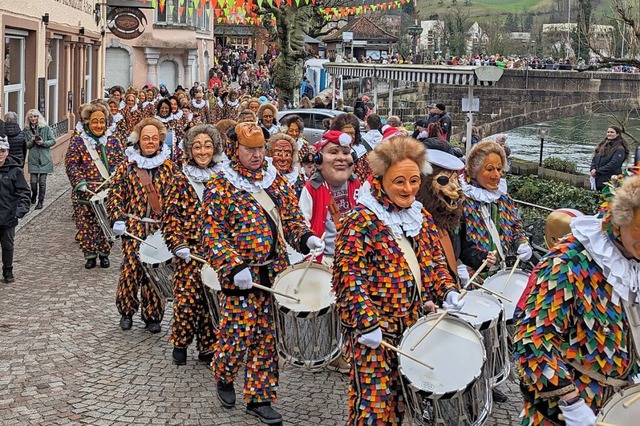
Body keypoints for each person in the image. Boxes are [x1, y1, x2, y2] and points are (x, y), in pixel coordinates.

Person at [332, 135, 464, 424]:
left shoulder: (421, 217)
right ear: (381, 179)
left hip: (413, 331)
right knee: (374, 407)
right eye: (400, 181)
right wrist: (365, 321)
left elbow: (434, 265)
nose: (408, 189)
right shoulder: (360, 221)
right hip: (374, 334)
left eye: (414, 181)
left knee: (403, 404)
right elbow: (348, 277)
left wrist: (447, 291)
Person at [201, 122, 322, 424]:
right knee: (237, 335)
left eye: (259, 148)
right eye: (249, 149)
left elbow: (292, 220)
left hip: (274, 273)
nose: (256, 155)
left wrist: (305, 237)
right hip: (240, 276)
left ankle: (259, 397)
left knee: (267, 339)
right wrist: (232, 264)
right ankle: (225, 374)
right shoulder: (220, 184)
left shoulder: (276, 180)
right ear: (235, 149)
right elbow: (211, 234)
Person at [514, 173, 640, 426]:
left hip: (621, 406)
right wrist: (571, 403)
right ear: (620, 217)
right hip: (566, 411)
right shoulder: (568, 261)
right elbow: (533, 341)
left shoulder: (633, 260)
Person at [107, 117, 180, 333]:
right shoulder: (127, 167)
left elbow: (178, 198)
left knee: (155, 273)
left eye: (154, 138)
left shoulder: (170, 169)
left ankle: (153, 316)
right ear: (138, 141)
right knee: (130, 271)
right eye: (146, 138)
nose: (150, 142)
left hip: (159, 230)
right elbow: (115, 195)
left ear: (160, 141)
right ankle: (126, 311)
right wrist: (117, 218)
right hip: (134, 228)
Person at [162, 124, 225, 365]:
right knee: (187, 300)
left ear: (215, 149)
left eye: (207, 146)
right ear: (189, 150)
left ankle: (208, 345)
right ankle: (180, 340)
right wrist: (177, 243)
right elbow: (170, 216)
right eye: (197, 146)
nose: (202, 151)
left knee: (211, 300)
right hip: (188, 252)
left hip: (214, 253)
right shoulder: (179, 179)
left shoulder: (223, 179)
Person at [65, 102, 125, 269]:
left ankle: (104, 254)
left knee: (105, 224)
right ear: (88, 122)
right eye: (95, 122)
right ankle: (90, 255)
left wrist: (116, 175)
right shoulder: (78, 142)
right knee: (86, 226)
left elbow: (121, 162)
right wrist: (80, 183)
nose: (99, 125)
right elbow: (71, 164)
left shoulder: (113, 141)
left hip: (107, 193)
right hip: (85, 194)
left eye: (102, 121)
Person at [0, 136, 30, 283]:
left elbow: (25, 193)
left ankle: (8, 270)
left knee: (7, 245)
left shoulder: (15, 170)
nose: (0, 153)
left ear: (7, 152)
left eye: (2, 150)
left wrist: (19, 211)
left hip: (8, 216)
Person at [24, 109, 56, 210]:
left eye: (35, 116)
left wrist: (43, 143)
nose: (33, 119)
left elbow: (53, 141)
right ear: (28, 118)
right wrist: (32, 141)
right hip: (33, 159)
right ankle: (34, 195)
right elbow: (26, 146)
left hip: (44, 159)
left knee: (42, 182)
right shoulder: (26, 130)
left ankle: (40, 201)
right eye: (31, 117)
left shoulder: (45, 128)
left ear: (38, 117)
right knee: (33, 183)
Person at [266, 133, 305, 197]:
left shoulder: (298, 178)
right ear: (270, 155)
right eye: (278, 153)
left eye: (287, 154)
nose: (283, 158)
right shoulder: (265, 179)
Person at [590, 126, 629, 191]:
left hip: (610, 179)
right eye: (608, 132)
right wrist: (593, 168)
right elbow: (594, 159)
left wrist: (598, 171)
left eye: (612, 132)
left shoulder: (620, 149)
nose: (609, 134)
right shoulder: (602, 145)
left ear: (617, 134)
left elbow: (614, 164)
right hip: (598, 178)